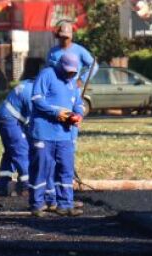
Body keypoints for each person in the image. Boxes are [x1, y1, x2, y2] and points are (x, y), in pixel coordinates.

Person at [45, 22, 95, 209]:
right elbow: (47, 71)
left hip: (72, 98)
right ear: (58, 36)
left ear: (72, 36)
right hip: (56, 99)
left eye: (67, 36)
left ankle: (65, 193)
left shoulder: (80, 51)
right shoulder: (52, 52)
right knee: (53, 150)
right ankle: (53, 197)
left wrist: (81, 79)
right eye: (61, 36)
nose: (64, 39)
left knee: (68, 145)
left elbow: (93, 65)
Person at [28, 52, 84, 217]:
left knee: (66, 169)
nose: (70, 74)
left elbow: (79, 103)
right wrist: (55, 112)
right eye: (67, 71)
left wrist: (78, 114)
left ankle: (65, 204)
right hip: (44, 132)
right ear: (60, 65)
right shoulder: (47, 74)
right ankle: (37, 204)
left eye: (73, 72)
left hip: (65, 135)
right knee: (41, 169)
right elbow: (37, 99)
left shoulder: (73, 82)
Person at [0, 59, 43, 198]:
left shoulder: (26, 84)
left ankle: (2, 185)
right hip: (11, 121)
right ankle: (26, 187)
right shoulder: (32, 90)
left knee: (11, 152)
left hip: (6, 119)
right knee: (22, 151)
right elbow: (34, 117)